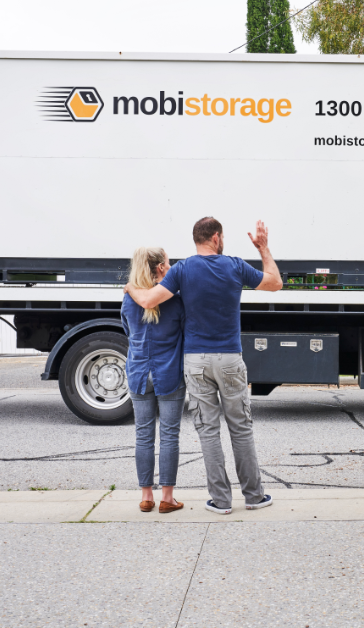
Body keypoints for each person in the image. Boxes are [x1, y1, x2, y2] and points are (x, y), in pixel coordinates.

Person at [124, 218, 282, 514]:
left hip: (195, 361)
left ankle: (221, 501)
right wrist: (263, 248)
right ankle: (254, 497)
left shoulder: (182, 270)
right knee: (241, 427)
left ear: (197, 239)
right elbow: (275, 282)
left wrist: (130, 288)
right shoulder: (234, 265)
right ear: (216, 238)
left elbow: (146, 301)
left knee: (208, 430)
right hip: (230, 358)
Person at [121, 247, 186, 514]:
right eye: (169, 263)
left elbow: (127, 330)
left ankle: (146, 496)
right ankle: (167, 498)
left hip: (138, 373)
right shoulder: (175, 300)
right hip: (169, 373)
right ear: (160, 267)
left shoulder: (128, 299)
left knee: (143, 436)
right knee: (169, 436)